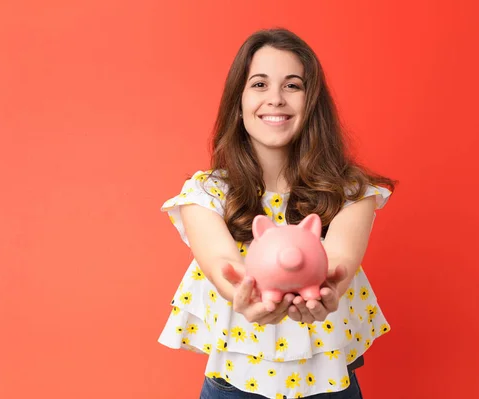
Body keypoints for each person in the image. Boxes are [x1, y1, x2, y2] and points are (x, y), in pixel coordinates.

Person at [158, 28, 397, 399]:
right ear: (238, 102)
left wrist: (328, 285)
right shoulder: (205, 194)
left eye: (292, 86)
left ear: (311, 100)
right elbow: (221, 261)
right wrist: (243, 292)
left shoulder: (351, 192)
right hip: (234, 385)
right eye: (259, 84)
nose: (275, 99)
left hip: (330, 383)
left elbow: (339, 259)